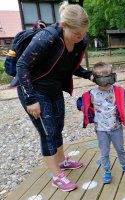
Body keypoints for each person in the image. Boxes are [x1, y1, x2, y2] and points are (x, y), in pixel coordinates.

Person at [16, 2, 92, 192]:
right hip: (35, 91)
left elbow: (72, 66)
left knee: (57, 128)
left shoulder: (77, 41)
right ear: (64, 25)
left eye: (83, 34)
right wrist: (31, 99)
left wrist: (90, 75)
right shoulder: (46, 38)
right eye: (77, 34)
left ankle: (61, 162)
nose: (80, 38)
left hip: (54, 90)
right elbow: (22, 66)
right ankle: (56, 176)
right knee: (47, 133)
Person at [77, 61, 125, 184]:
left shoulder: (118, 91)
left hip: (116, 127)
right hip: (101, 130)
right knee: (104, 152)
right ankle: (106, 171)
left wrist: (122, 107)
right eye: (103, 80)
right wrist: (87, 110)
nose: (107, 83)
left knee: (120, 149)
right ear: (96, 80)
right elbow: (79, 103)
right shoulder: (91, 94)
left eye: (109, 79)